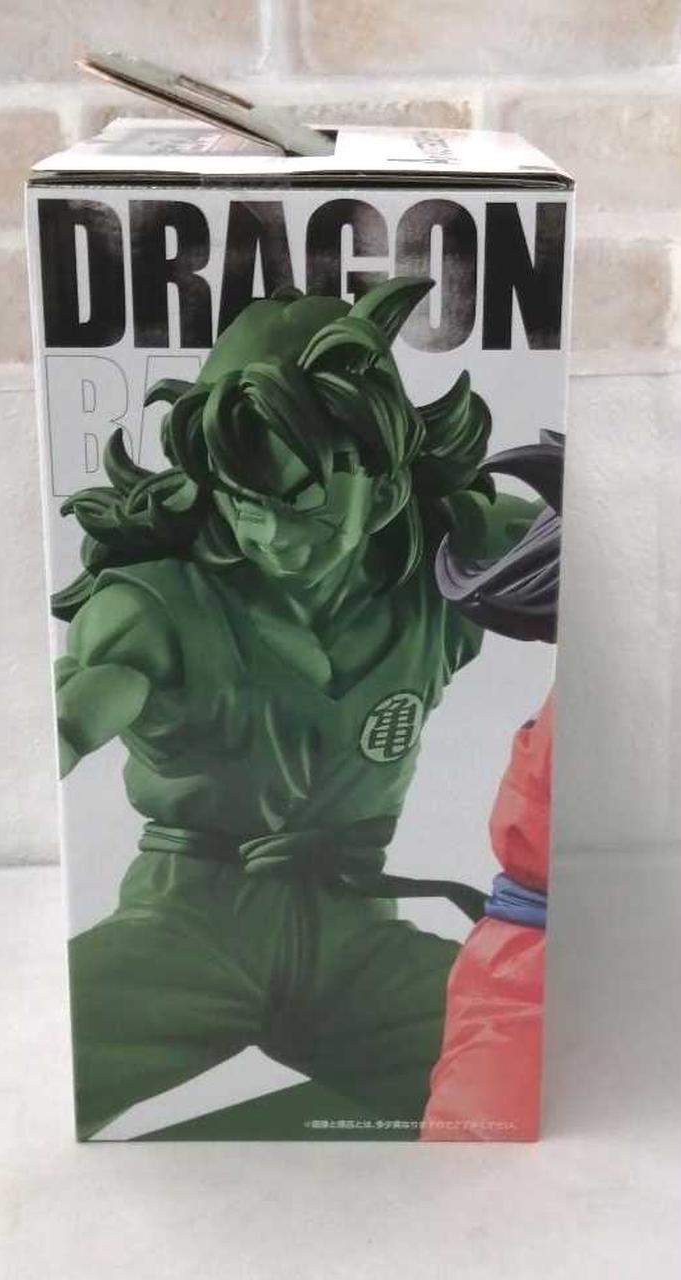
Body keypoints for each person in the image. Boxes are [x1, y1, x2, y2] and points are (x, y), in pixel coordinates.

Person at [54, 277, 552, 1140]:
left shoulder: (441, 572)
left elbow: (577, 549)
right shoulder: (153, 606)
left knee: (530, 1079)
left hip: (358, 939)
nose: (270, 534)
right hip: (185, 928)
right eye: (244, 500)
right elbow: (73, 714)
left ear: (384, 490)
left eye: (303, 504)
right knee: (22, 1082)